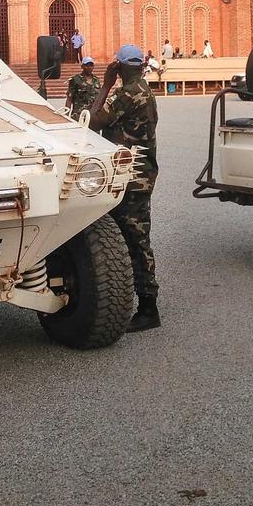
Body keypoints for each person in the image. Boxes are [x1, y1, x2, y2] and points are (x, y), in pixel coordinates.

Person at [88, 44, 160, 332]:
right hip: (137, 173)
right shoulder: (142, 88)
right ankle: (138, 300)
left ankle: (148, 307)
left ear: (119, 66)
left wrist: (106, 84)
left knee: (135, 237)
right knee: (133, 235)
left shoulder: (128, 93)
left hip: (132, 176)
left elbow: (93, 122)